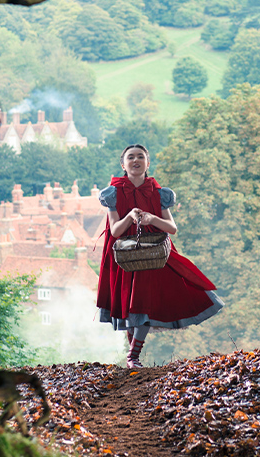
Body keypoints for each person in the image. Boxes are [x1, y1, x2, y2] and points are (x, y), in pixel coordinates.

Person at [96, 144, 223, 368]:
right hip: (125, 258)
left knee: (142, 305)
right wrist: (130, 216)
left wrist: (151, 219)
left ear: (148, 162)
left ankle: (133, 357)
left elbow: (171, 228)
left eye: (140, 157)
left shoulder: (159, 193)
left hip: (154, 256)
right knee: (129, 308)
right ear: (122, 164)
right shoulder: (112, 194)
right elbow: (115, 231)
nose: (136, 161)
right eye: (131, 157)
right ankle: (133, 357)